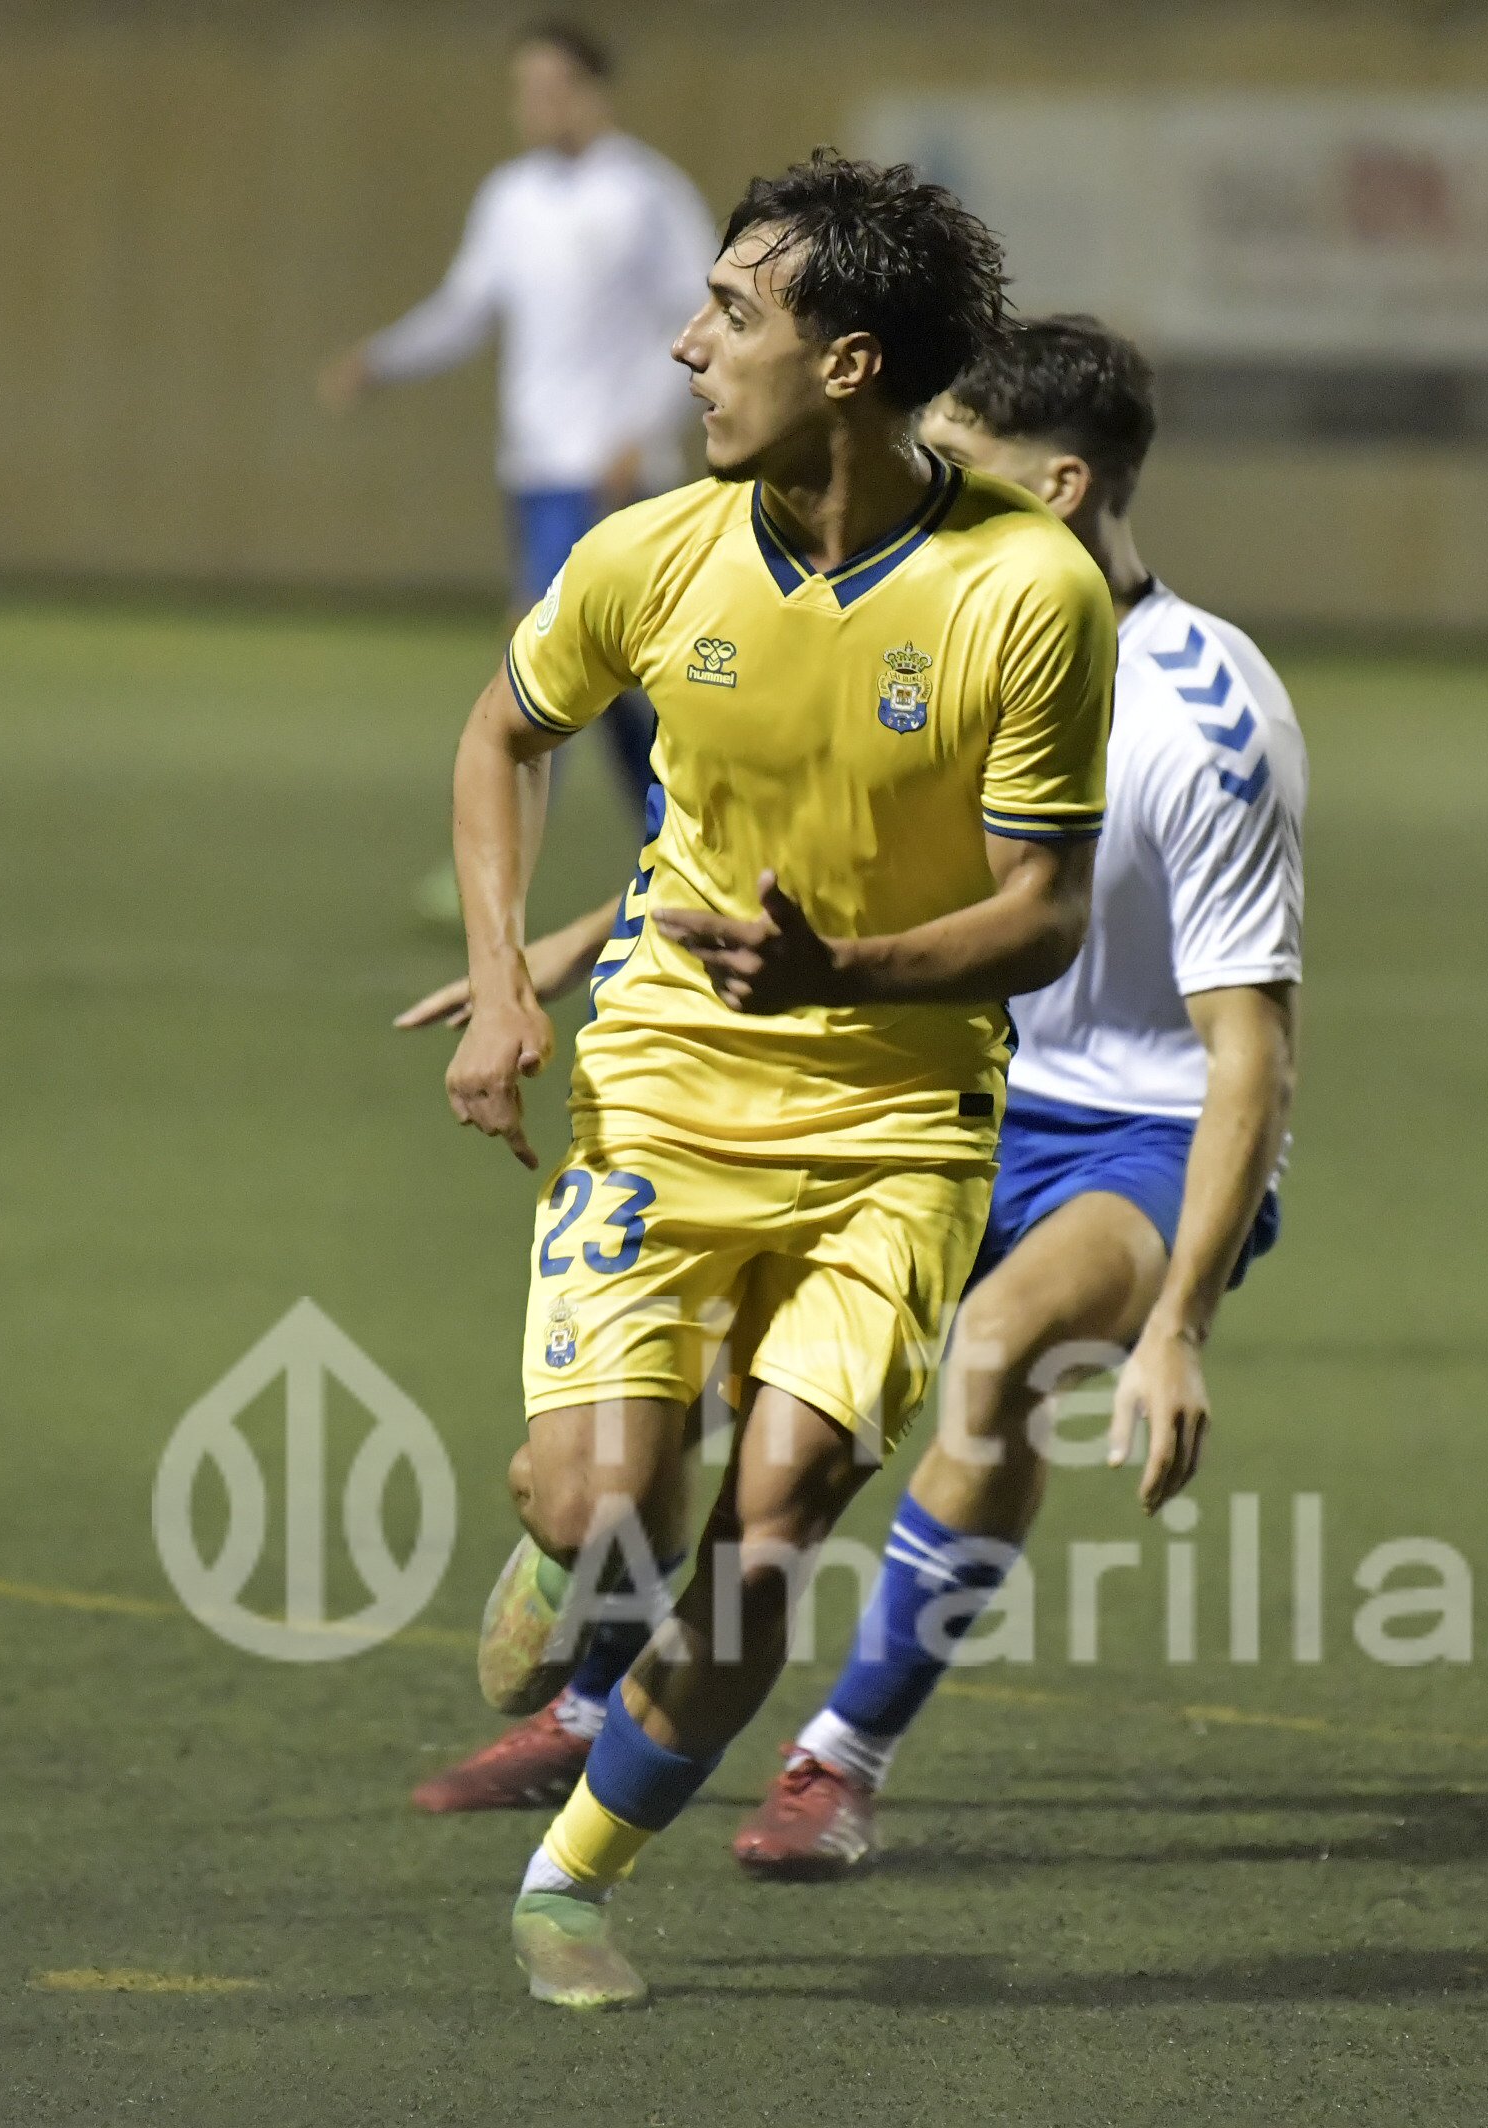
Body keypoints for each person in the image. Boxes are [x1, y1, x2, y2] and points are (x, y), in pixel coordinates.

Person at [392, 319, 1305, 1885]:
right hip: (913, 1077)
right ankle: (603, 1662)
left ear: (1067, 487)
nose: (924, 486)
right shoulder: (933, 611)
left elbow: (1248, 1054)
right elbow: (805, 868)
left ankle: (840, 1757)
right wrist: (556, 945)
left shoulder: (1208, 719)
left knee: (1003, 1358)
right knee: (718, 1414)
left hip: (1135, 1129)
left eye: (965, 462)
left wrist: (1181, 1327)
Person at [438, 154, 1114, 2009]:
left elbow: (1042, 914)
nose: (686, 342)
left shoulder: (1028, 592)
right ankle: (578, 1529)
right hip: (665, 1074)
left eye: (733, 312)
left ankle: (569, 1881)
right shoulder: (650, 554)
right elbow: (506, 736)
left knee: (782, 1506)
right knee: (600, 1504)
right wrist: (509, 984)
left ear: (849, 362)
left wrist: (852, 971)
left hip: (901, 1118)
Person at [319, 19, 716, 902]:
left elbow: (694, 322)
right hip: (535, 473)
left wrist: (640, 433)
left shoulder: (647, 195)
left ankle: (494, 874)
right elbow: (466, 309)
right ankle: (692, 839)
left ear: (588, 89)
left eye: (547, 86)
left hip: (611, 477)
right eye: (522, 88)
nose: (530, 105)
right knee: (602, 687)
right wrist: (379, 361)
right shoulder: (510, 197)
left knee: (535, 666)